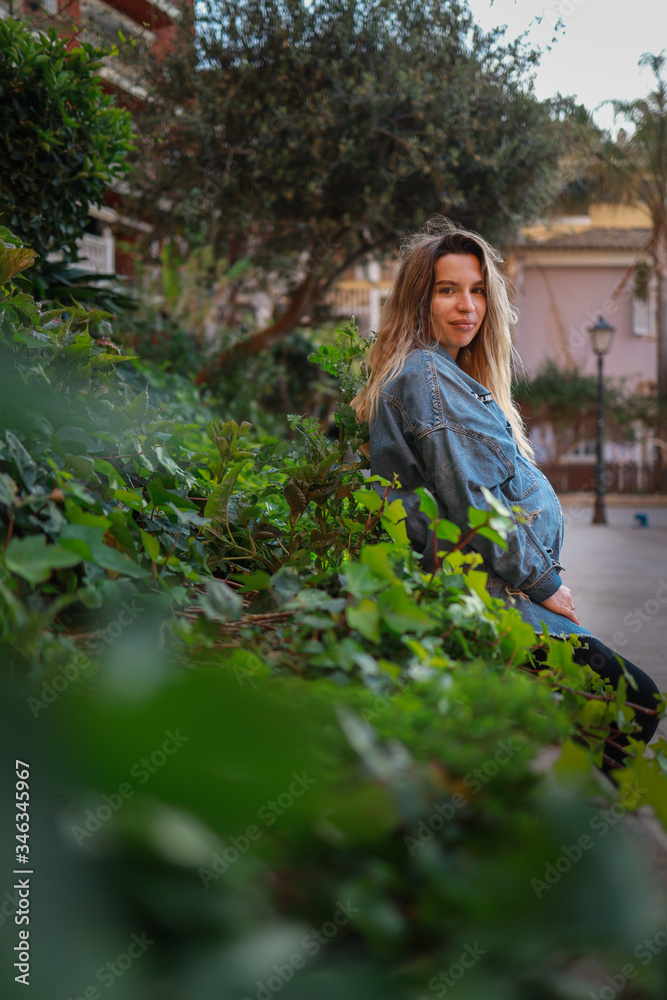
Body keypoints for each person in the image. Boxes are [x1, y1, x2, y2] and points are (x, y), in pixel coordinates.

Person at [352, 217, 662, 774]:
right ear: (419, 300)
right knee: (634, 703)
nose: (466, 306)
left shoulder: (441, 375)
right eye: (447, 290)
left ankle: (570, 807)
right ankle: (582, 815)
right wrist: (544, 583)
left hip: (492, 599)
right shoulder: (428, 376)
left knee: (587, 726)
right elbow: (475, 501)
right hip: (493, 604)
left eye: (477, 291)